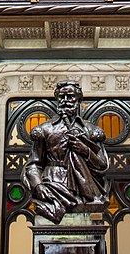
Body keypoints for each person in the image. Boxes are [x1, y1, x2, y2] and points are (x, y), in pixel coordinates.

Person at [22, 80, 109, 223]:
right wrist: (38, 185)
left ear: (78, 99)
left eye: (70, 97)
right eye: (62, 97)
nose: (65, 101)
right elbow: (33, 164)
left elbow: (102, 166)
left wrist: (86, 151)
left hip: (84, 186)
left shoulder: (91, 130)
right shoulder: (45, 129)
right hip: (52, 183)